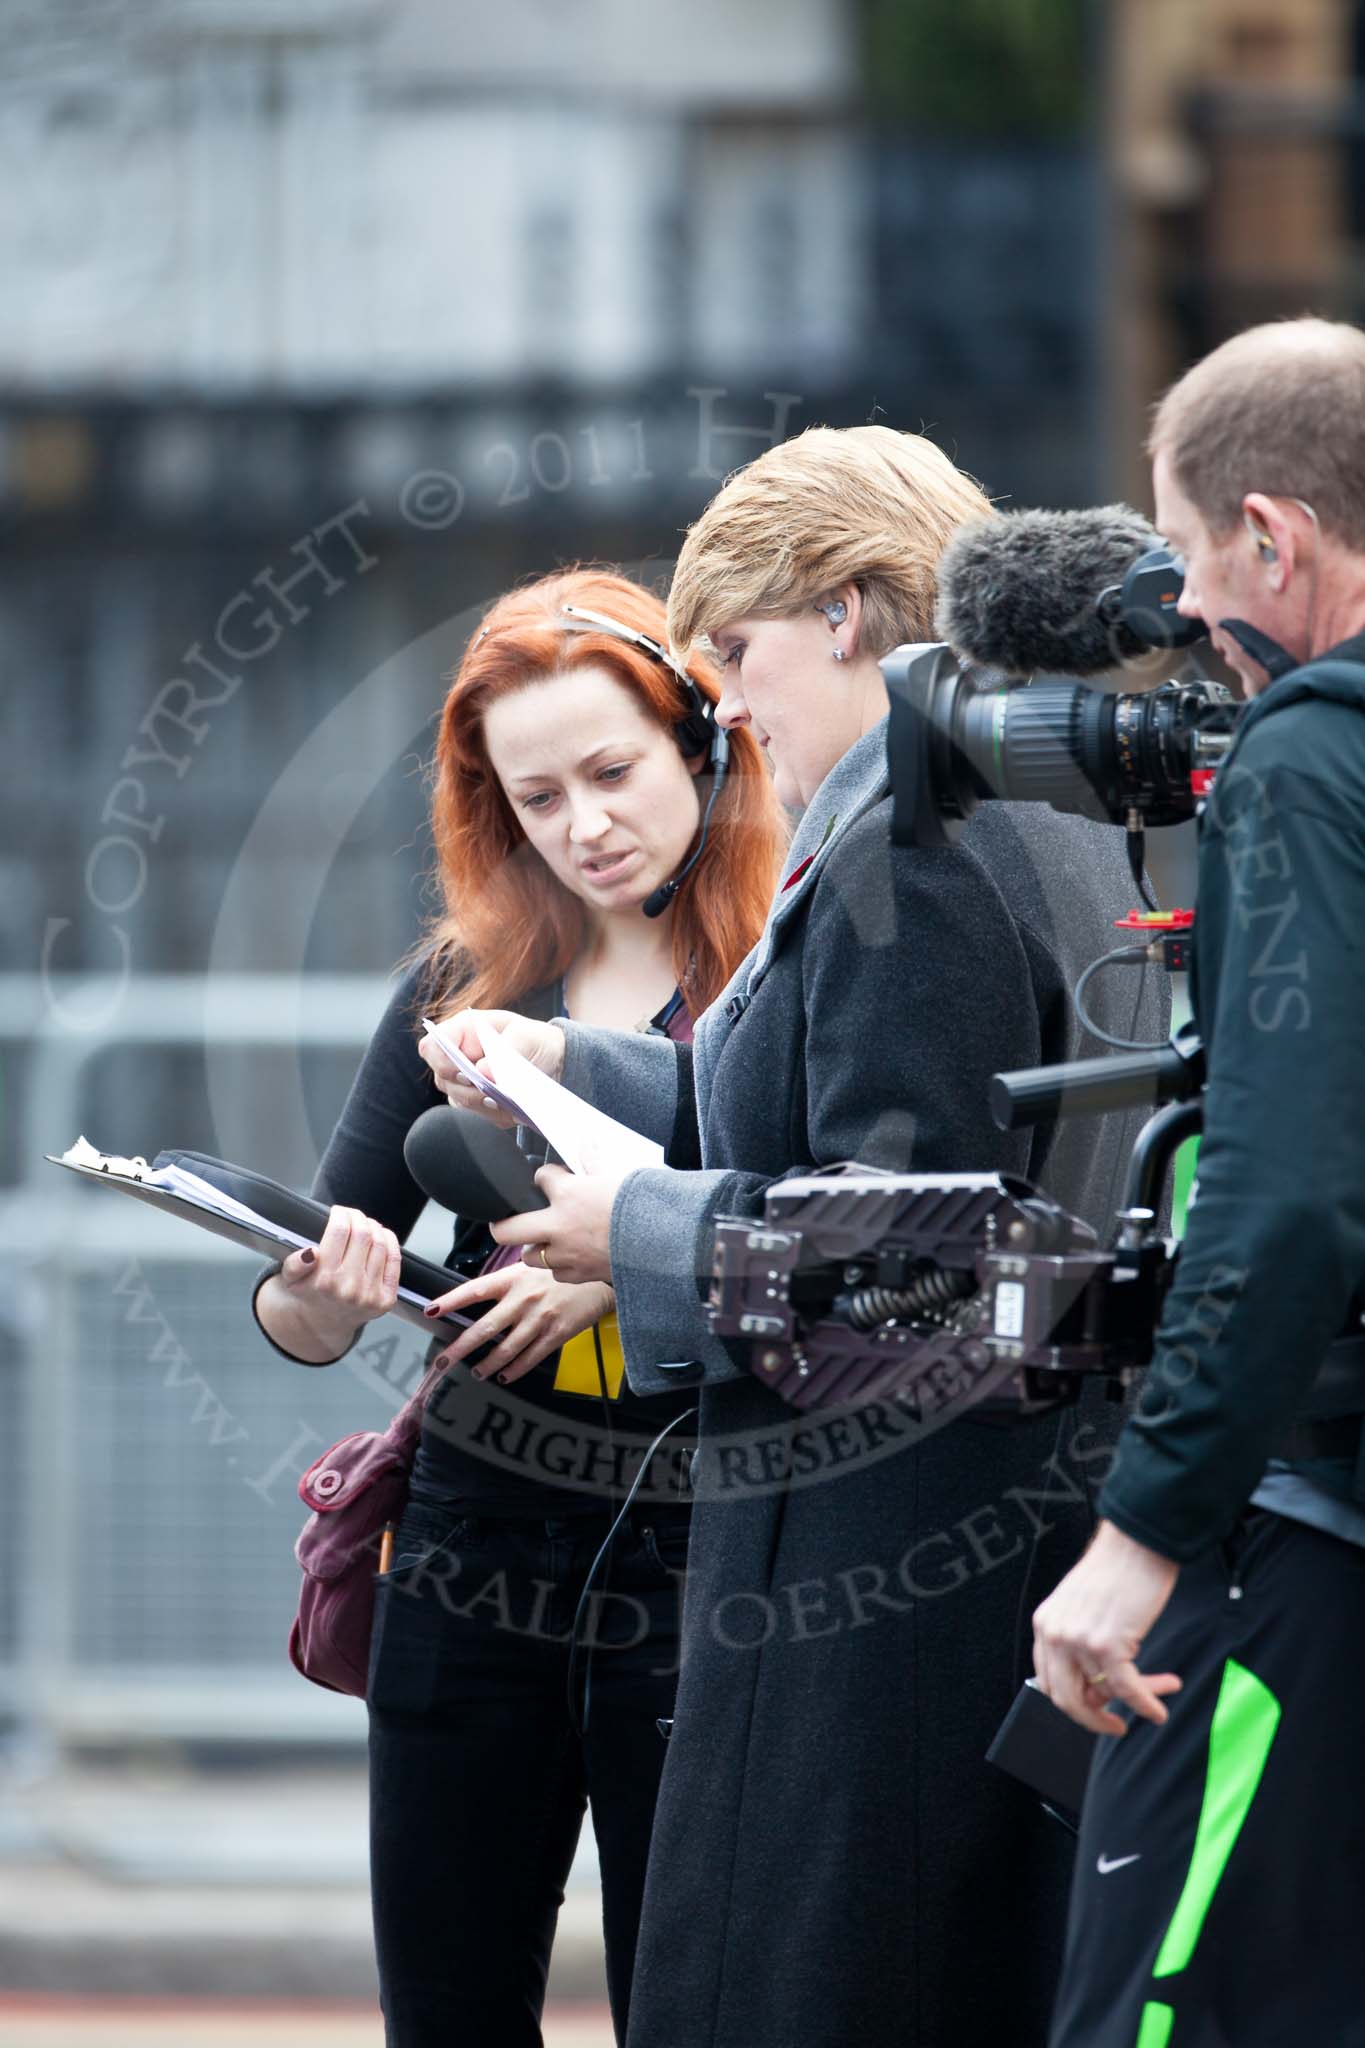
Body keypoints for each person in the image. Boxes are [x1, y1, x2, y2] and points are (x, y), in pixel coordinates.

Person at [425, 425, 1170, 2048]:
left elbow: (932, 1269)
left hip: (881, 1588)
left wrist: (641, 1226)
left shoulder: (917, 841)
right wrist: (589, 1066)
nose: (730, 704)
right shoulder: (1037, 810)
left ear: (844, 610)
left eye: (738, 653)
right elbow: (833, 1121)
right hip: (981, 1549)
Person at [252, 567, 786, 2048]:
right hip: (470, 1553)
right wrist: (321, 1289)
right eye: (536, 798)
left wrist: (627, 1260)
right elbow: (304, 1306)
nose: (585, 826)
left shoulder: (777, 977)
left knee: (683, 2006)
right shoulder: (458, 980)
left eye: (611, 773)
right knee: (446, 2007)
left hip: (706, 1552)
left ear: (700, 740)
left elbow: (849, 1250)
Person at [1032, 318, 1365, 2048]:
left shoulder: (1312, 753)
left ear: (1271, 536)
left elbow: (1287, 1186)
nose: (1180, 609)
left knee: (1164, 2012)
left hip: (1315, 1528)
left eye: (1182, 556)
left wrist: (1140, 1531)